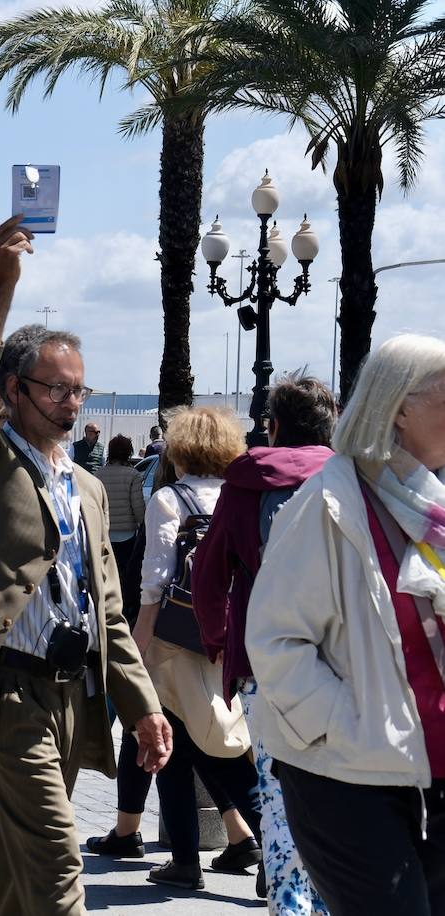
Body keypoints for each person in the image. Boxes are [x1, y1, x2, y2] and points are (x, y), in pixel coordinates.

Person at [0, 215, 170, 916]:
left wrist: (143, 707)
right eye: (55, 389)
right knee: (59, 861)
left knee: (7, 855)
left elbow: (108, 614)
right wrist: (4, 283)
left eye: (78, 390)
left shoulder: (85, 487)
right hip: (7, 692)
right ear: (16, 388)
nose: (70, 403)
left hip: (69, 695)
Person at [247, 334, 445, 916]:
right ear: (400, 407)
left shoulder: (430, 502)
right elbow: (276, 639)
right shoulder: (325, 503)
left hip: (429, 772)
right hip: (347, 777)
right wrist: (341, 725)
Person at [191, 375, 336, 914]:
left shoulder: (245, 484)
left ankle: (292, 904)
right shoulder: (349, 480)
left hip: (264, 663)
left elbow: (207, 574)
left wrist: (222, 644)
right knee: (339, 790)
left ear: (273, 426)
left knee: (277, 795)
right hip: (341, 663)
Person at [130, 406, 262, 891]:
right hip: (230, 638)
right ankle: (257, 848)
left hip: (175, 641)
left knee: (176, 747)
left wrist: (139, 644)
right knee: (218, 741)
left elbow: (155, 580)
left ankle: (188, 859)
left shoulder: (170, 498)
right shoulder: (240, 495)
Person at [94, 434, 146, 589]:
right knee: (125, 572)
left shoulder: (98, 474)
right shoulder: (133, 475)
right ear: (128, 452)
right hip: (127, 533)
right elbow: (138, 505)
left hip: (105, 532)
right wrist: (143, 524)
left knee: (105, 572)